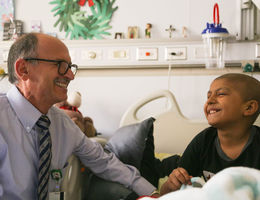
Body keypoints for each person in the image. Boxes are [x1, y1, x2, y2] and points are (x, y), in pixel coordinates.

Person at [0, 32, 157, 199]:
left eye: (70, 67)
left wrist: (153, 193)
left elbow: (104, 162)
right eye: (60, 65)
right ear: (23, 69)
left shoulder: (61, 124)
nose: (70, 75)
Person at [160, 73, 260, 195]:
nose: (210, 101)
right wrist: (171, 184)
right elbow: (168, 194)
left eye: (221, 94)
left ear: (249, 107)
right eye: (208, 96)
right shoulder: (203, 142)